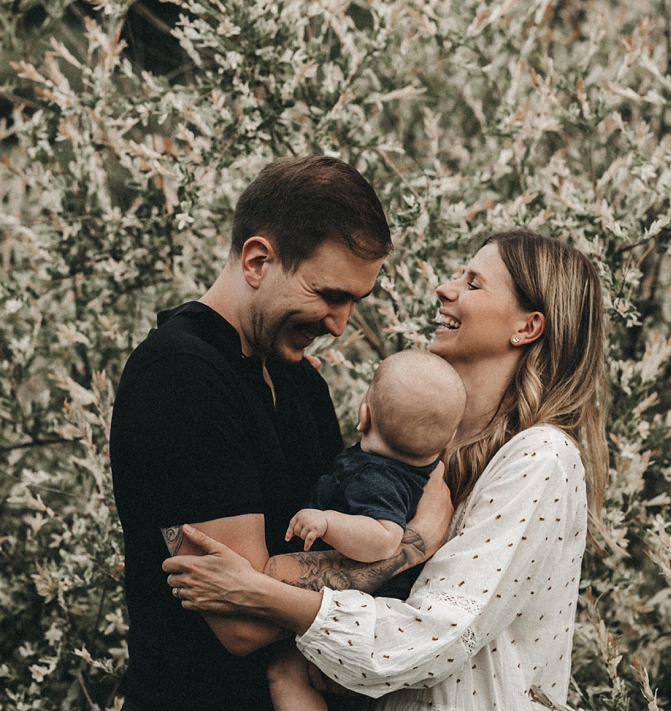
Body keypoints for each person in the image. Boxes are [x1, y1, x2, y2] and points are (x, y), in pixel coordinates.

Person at [163, 230, 609, 711]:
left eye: (474, 284)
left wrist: (260, 593)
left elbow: (436, 635)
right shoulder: (421, 444)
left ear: (528, 326)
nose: (445, 288)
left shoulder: (539, 458)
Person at [108, 155, 454, 711]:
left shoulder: (297, 383)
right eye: (329, 295)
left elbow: (288, 561)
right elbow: (241, 623)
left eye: (353, 302)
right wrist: (411, 544)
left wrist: (274, 578)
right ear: (257, 260)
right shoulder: (180, 378)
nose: (340, 324)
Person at [269, 350, 467, 711]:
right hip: (369, 609)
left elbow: (384, 538)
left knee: (284, 674)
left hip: (360, 607)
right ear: (449, 438)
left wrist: (329, 522)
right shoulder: (418, 472)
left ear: (364, 415)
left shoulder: (376, 476)